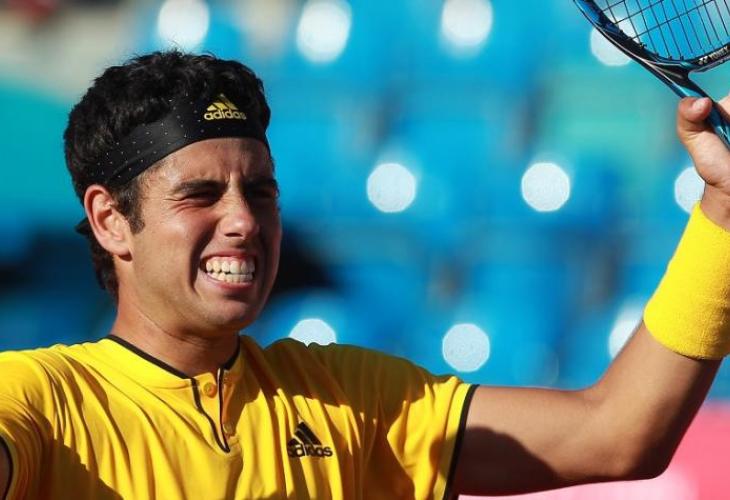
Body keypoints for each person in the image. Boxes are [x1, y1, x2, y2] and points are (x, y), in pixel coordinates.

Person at [0, 50, 728, 500]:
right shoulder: (38, 401)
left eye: (260, 191)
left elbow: (617, 434)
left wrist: (722, 209)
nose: (244, 220)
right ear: (109, 220)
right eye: (200, 195)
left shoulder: (349, 399)